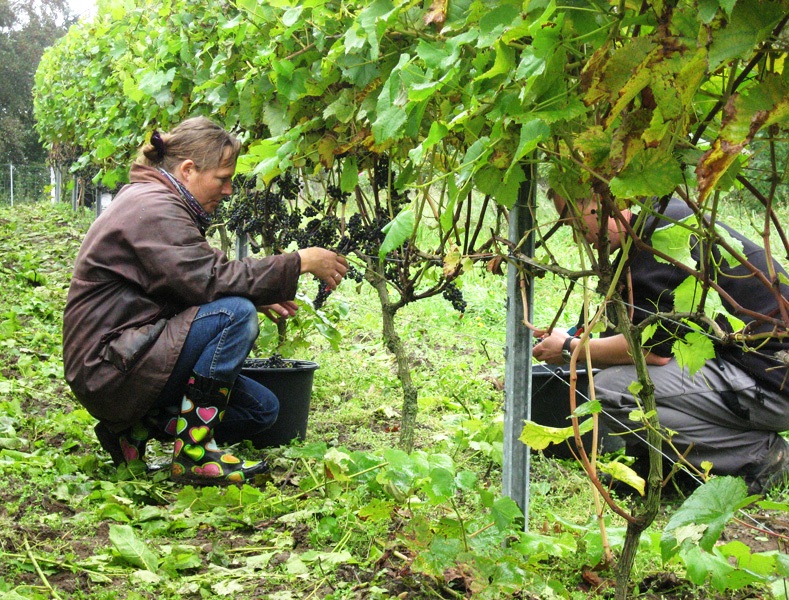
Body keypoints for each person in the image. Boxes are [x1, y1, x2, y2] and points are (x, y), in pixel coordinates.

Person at [62, 117, 348, 485]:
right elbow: (207, 279)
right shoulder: (154, 207)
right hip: (108, 366)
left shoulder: (155, 200)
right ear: (188, 169)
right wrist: (299, 262)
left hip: (126, 353)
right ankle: (194, 455)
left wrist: (254, 291)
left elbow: (186, 279)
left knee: (262, 411)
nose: (229, 190)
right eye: (223, 178)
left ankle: (133, 427)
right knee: (236, 314)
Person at [532, 193, 789, 495]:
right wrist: (574, 335)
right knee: (623, 381)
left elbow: (651, 351)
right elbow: (635, 325)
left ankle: (761, 457)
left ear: (599, 202)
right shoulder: (660, 218)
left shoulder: (662, 240)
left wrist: (569, 349)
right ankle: (669, 466)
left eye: (573, 221)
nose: (575, 235)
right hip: (757, 371)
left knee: (614, 389)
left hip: (772, 381)